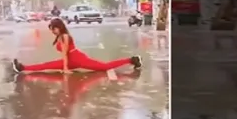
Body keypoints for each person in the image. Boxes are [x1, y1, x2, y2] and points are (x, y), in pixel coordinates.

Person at [12, 18, 142, 73]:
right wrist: (66, 66)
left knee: (104, 67)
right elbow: (64, 55)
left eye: (53, 29)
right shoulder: (60, 36)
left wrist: (66, 69)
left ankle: (132, 60)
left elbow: (64, 53)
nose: (52, 31)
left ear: (59, 27)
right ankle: (22, 67)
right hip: (71, 60)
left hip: (77, 58)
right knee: (46, 65)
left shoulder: (65, 37)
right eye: (51, 29)